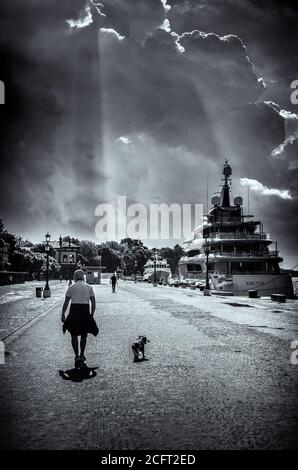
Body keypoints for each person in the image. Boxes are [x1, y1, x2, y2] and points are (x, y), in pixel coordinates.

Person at [61, 269, 98, 365]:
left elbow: (66, 303)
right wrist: (92, 314)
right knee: (83, 335)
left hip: (74, 312)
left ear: (75, 277)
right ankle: (82, 354)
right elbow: (93, 303)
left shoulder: (71, 287)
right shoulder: (89, 287)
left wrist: (63, 314)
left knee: (73, 335)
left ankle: (76, 355)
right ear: (83, 276)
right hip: (85, 312)